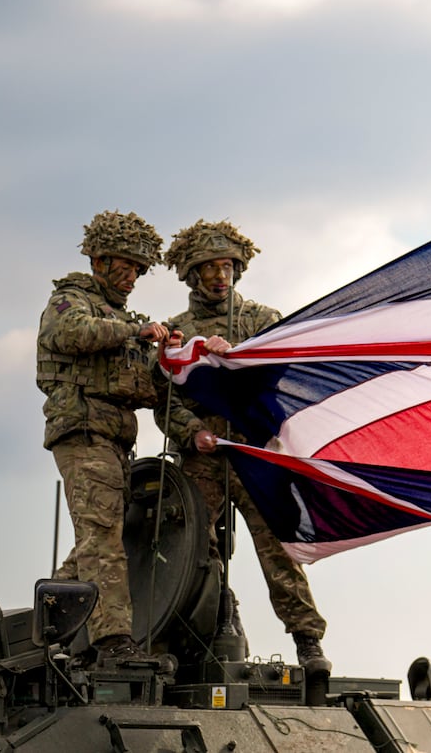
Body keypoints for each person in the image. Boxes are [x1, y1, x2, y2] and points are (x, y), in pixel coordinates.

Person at [159, 219, 331, 679]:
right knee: (194, 547)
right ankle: (214, 617)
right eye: (210, 268)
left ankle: (307, 640)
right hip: (204, 454)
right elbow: (165, 404)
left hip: (253, 450)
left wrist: (236, 354)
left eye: (227, 267)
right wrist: (192, 430)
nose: (220, 276)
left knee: (277, 546)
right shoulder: (177, 333)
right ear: (192, 274)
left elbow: (282, 381)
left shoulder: (261, 321)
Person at [37, 210, 174, 667]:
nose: (132, 276)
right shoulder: (70, 301)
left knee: (93, 542)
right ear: (99, 260)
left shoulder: (121, 320)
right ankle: (113, 641)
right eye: (126, 266)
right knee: (102, 539)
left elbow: (147, 389)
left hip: (113, 442)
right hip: (83, 433)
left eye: (138, 269)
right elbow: (69, 333)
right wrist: (134, 331)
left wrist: (169, 356)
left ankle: (42, 634)